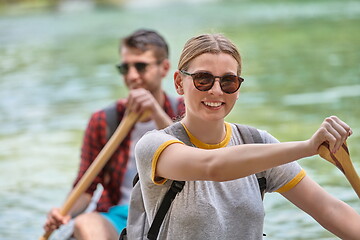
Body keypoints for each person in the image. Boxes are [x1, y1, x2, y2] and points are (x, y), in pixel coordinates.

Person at [132, 33, 360, 239]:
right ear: (179, 83)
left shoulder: (258, 143)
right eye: (204, 79)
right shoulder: (153, 146)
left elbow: (330, 210)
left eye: (228, 81)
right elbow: (214, 167)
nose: (216, 90)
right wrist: (309, 146)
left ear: (238, 88)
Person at [43, 29, 185, 240]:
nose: (131, 76)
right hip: (121, 216)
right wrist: (64, 213)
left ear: (164, 68)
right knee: (85, 223)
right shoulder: (104, 120)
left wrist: (156, 112)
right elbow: (86, 186)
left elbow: (194, 164)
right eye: (124, 67)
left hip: (172, 215)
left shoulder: (184, 110)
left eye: (140, 66)